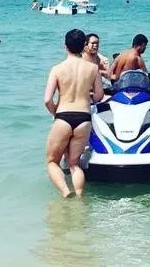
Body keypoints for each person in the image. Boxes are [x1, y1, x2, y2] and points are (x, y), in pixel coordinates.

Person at [43, 29, 104, 198]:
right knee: (74, 164)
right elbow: (99, 96)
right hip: (84, 117)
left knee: (52, 161)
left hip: (63, 116)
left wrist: (56, 113)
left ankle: (65, 191)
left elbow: (47, 100)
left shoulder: (57, 69)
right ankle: (79, 196)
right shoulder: (93, 68)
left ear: (65, 46)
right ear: (84, 46)